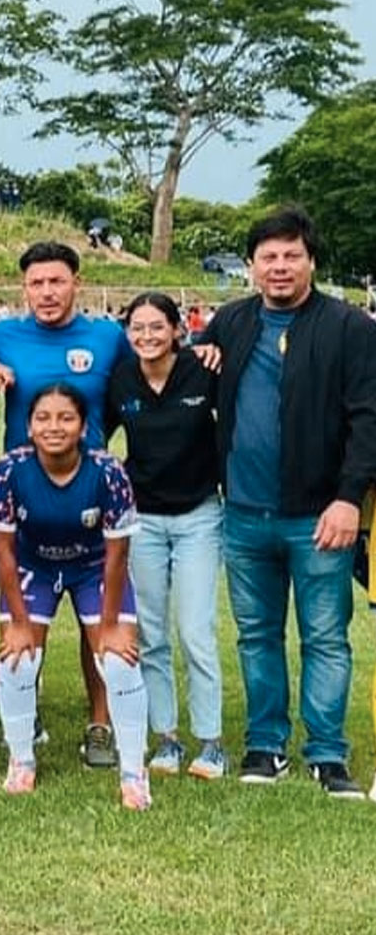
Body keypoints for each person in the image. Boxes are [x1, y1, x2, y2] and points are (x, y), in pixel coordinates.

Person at [198, 207, 376, 797]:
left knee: (325, 637)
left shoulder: (349, 327)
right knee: (256, 635)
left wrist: (348, 498)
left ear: (311, 261)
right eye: (268, 257)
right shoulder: (229, 321)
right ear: (251, 266)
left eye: (291, 255)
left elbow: (368, 419)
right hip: (244, 514)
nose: (279, 267)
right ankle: (265, 745)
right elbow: (191, 376)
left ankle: (327, 754)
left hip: (319, 515)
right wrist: (201, 351)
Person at [0, 242, 135, 769]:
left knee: (100, 629)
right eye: (37, 283)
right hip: (24, 506)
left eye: (56, 282)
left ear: (77, 283)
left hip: (90, 501)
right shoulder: (3, 335)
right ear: (24, 288)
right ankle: (29, 715)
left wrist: (207, 352)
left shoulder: (107, 337)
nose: (47, 292)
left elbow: (146, 380)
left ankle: (100, 723)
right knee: (24, 626)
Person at [0, 383, 151, 809]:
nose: (53, 427)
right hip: (32, 568)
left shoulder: (109, 472)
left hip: (92, 566)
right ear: (28, 425)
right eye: (43, 418)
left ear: (83, 427)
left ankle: (134, 772)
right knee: (18, 661)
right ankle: (21, 761)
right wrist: (19, 624)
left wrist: (111, 626)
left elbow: (117, 556)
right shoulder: (9, 470)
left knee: (117, 661)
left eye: (65, 418)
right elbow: (2, 551)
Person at [105, 293, 225, 780]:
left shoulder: (203, 369)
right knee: (150, 633)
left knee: (196, 631)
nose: (147, 337)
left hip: (200, 514)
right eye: (138, 328)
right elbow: (96, 436)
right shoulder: (122, 379)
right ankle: (167, 738)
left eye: (157, 327)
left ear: (178, 329)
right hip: (144, 519)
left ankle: (211, 742)